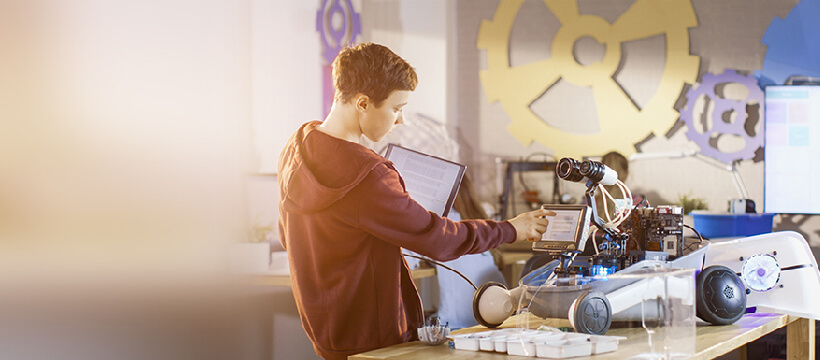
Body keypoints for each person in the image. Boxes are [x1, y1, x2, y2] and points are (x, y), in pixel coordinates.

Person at [277, 42, 552, 360]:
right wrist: (511, 229)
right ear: (363, 103)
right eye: (396, 108)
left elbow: (288, 236)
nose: (401, 120)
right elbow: (438, 241)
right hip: (376, 340)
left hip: (327, 334)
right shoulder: (369, 174)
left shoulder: (297, 146)